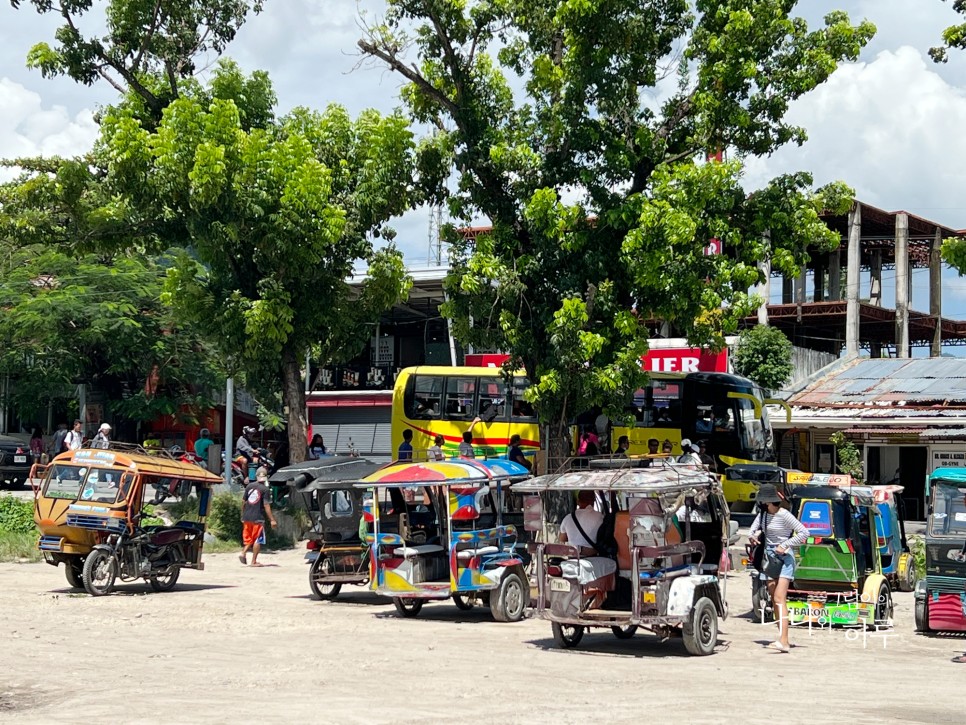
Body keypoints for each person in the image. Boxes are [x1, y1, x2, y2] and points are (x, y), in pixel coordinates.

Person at [748, 484, 808, 653]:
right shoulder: (763, 515)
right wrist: (754, 537)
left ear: (767, 501)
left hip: (785, 559)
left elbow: (804, 532)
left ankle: (784, 641)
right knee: (775, 598)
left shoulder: (785, 515)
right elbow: (752, 530)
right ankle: (782, 634)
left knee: (780, 598)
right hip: (770, 558)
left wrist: (785, 544)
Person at [239, 467, 277, 567]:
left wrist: (242, 515)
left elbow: (243, 502)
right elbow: (266, 505)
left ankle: (243, 553)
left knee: (249, 538)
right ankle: (253, 561)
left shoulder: (249, 486)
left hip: (247, 517)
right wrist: (272, 520)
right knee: (257, 539)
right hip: (258, 518)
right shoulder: (265, 489)